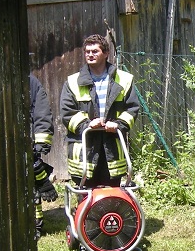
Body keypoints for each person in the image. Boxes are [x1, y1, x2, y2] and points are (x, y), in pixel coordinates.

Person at [60, 34, 140, 188]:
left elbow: (132, 108)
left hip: (112, 147)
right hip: (85, 147)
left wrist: (118, 124)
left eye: (95, 51)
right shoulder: (72, 82)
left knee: (111, 196)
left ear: (106, 53)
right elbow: (67, 112)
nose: (90, 54)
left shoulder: (124, 79)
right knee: (86, 196)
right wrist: (87, 125)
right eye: (87, 51)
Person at [30, 74, 58, 241]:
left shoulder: (31, 82)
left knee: (32, 186)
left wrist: (39, 145)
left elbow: (42, 113)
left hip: (26, 144)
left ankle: (35, 224)